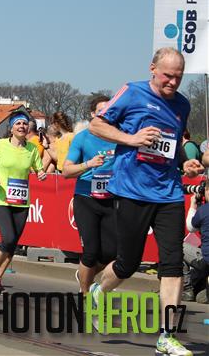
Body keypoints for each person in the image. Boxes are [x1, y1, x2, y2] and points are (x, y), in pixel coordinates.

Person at [89, 47, 204, 356]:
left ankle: (167, 336)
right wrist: (131, 138)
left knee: (172, 264)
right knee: (127, 263)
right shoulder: (132, 92)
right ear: (152, 68)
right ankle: (99, 289)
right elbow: (96, 125)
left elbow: (173, 144)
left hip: (169, 193)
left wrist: (185, 163)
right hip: (132, 191)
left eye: (178, 77)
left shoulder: (182, 104)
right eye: (167, 76)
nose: (173, 83)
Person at [0, 111, 46, 294]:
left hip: (21, 202)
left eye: (24, 124)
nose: (22, 127)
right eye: (18, 123)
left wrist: (41, 174)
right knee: (7, 238)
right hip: (1, 199)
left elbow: (39, 169)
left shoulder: (32, 149)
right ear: (11, 128)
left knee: (13, 243)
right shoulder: (0, 145)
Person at [62, 94, 117, 293]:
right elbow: (66, 171)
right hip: (86, 199)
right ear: (93, 114)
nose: (105, 114)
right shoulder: (83, 138)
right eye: (101, 111)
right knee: (91, 251)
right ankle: (85, 294)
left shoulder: (119, 136)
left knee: (112, 253)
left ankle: (84, 274)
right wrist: (88, 164)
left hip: (111, 199)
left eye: (109, 110)